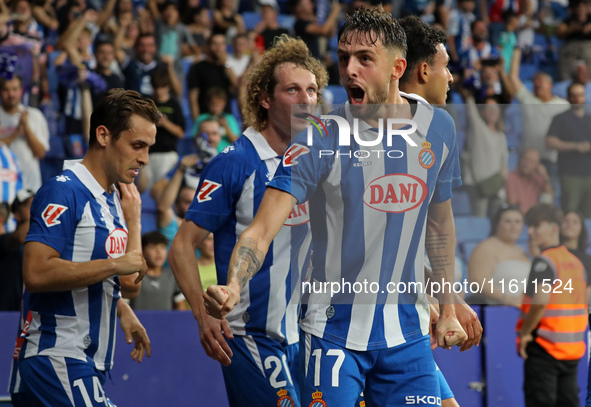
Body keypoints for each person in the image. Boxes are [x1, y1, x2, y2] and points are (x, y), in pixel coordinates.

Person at [204, 8, 467, 406]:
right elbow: (260, 229)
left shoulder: (439, 128)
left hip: (407, 338)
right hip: (332, 336)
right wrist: (234, 285)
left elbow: (440, 227)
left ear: (398, 67)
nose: (349, 70)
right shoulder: (319, 138)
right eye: (344, 58)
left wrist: (448, 306)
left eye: (364, 59)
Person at [169, 35, 327, 406]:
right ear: (265, 98)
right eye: (292, 90)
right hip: (248, 334)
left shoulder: (314, 161)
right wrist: (202, 316)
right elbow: (181, 246)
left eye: (312, 90)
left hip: (303, 335)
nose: (305, 100)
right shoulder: (235, 161)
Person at [8, 89, 160, 406]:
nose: (145, 158)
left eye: (148, 148)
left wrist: (121, 306)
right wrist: (114, 266)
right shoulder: (63, 191)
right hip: (55, 356)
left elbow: (130, 281)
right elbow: (36, 272)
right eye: (137, 146)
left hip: (88, 363)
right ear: (103, 135)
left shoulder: (115, 198)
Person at [399, 15, 482, 407]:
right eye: (446, 67)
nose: (450, 78)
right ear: (423, 69)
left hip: (408, 311)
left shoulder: (437, 128)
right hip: (366, 323)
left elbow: (405, 248)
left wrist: (451, 300)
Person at [517, 203, 589, 407]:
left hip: (545, 348)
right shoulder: (575, 262)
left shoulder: (544, 261)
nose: (530, 231)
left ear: (554, 229)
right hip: (572, 350)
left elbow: (540, 302)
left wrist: (525, 332)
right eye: (529, 226)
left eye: (536, 226)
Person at [467, 205, 531, 305]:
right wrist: (508, 299)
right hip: (495, 310)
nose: (513, 226)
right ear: (497, 224)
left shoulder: (523, 252)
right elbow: (477, 281)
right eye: (508, 221)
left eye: (518, 222)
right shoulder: (486, 247)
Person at [546, 82, 591, 217]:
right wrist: (576, 146)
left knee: (588, 217)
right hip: (570, 175)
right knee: (569, 215)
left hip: (589, 175)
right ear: (568, 97)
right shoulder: (560, 119)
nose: (577, 99)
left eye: (580, 95)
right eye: (574, 96)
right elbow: (550, 142)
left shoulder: (589, 119)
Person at [0, 76, 49, 192]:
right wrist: (15, 134)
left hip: (29, 187)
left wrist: (26, 129)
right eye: (6, 90)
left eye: (15, 89)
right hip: (3, 188)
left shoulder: (34, 115)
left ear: (21, 91)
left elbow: (41, 153)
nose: (11, 94)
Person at [130, 231, 186, 310]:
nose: (159, 252)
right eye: (153, 247)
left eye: (162, 247)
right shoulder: (133, 276)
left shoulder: (173, 276)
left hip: (166, 322)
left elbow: (180, 307)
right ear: (142, 251)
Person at [0, 189, 33, 311]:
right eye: (30, 205)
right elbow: (19, 237)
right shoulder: (6, 241)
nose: (34, 208)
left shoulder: (41, 247)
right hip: (6, 313)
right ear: (16, 214)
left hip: (29, 313)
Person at [506, 148, 554, 215]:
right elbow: (513, 205)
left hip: (535, 217)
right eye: (525, 159)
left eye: (531, 161)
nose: (527, 164)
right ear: (520, 159)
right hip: (519, 217)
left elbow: (548, 200)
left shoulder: (538, 178)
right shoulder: (512, 177)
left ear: (537, 165)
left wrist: (545, 177)